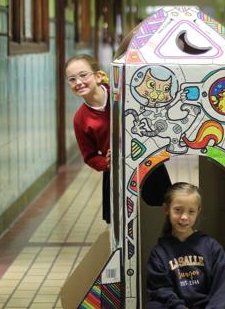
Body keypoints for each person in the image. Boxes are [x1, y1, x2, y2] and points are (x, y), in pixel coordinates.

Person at [67, 54, 170, 223]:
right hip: (116, 174)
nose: (78, 82)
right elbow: (90, 156)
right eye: (72, 79)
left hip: (149, 165)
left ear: (98, 76)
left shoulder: (123, 95)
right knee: (122, 224)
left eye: (83, 75)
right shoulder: (80, 119)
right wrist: (107, 163)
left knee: (161, 215)